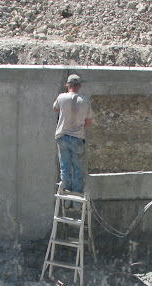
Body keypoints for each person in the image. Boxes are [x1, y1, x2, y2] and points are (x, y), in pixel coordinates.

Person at [53, 74, 92, 209]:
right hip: (77, 139)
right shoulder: (85, 101)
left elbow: (55, 108)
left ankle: (66, 201)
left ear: (67, 85)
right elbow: (88, 122)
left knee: (65, 168)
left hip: (62, 137)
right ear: (79, 87)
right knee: (78, 170)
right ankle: (76, 204)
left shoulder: (61, 97)